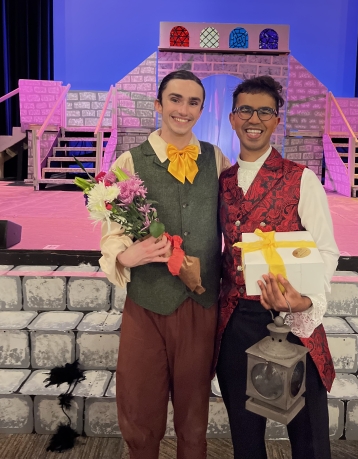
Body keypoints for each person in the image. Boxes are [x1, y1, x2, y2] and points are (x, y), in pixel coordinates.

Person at [99, 70, 230, 459]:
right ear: (159, 104)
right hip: (147, 305)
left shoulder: (216, 158)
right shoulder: (130, 160)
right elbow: (111, 232)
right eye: (175, 99)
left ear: (202, 110)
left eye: (193, 102)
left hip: (200, 305)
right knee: (140, 411)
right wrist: (127, 255)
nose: (183, 109)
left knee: (193, 418)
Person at [216, 75, 340, 459]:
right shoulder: (221, 181)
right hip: (236, 319)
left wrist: (305, 303)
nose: (255, 118)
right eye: (245, 110)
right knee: (245, 432)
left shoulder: (302, 179)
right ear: (233, 119)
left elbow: (326, 250)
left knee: (309, 434)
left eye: (265, 111)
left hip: (292, 318)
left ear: (276, 120)